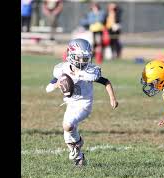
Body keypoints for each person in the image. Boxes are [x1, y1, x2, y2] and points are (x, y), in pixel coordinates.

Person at [45, 38, 119, 166]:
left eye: (85, 58)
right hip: (70, 104)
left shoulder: (89, 71)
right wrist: (56, 84)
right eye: (80, 58)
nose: (83, 61)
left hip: (84, 104)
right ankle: (79, 158)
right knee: (67, 134)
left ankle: (78, 143)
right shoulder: (62, 69)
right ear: (71, 55)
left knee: (67, 126)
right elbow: (48, 87)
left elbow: (106, 81)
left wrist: (112, 98)